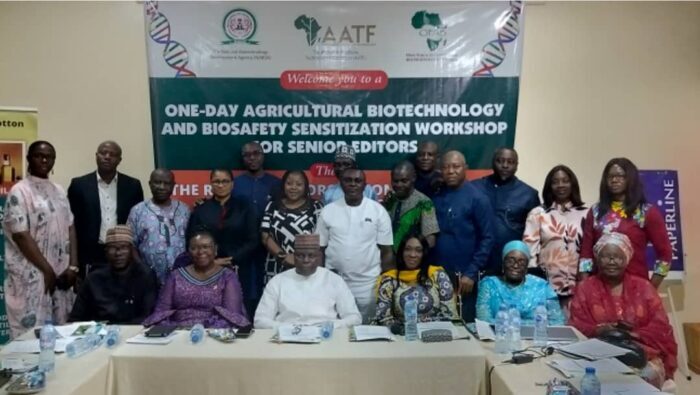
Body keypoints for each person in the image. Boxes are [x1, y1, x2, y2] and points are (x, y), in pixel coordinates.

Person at [569, 233, 677, 388]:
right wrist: (599, 331)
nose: (612, 261)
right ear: (597, 259)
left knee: (643, 376)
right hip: (597, 354)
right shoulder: (586, 288)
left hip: (641, 355)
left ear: (627, 259)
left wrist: (632, 334)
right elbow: (575, 325)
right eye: (606, 256)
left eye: (618, 257)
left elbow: (661, 329)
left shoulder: (644, 288)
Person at [3, 141, 78, 338]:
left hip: (60, 276)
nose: (44, 159)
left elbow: (70, 225)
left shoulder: (59, 191)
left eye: (49, 156)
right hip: (33, 275)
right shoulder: (19, 191)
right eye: (38, 155)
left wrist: (73, 267)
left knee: (61, 335)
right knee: (31, 339)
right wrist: (46, 270)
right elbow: (20, 234)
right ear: (28, 158)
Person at [579, 158, 672, 288]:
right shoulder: (595, 212)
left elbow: (665, 254)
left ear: (631, 179)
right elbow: (586, 255)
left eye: (620, 176)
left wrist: (651, 288)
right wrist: (585, 288)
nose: (614, 180)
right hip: (599, 289)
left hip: (636, 288)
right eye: (610, 177)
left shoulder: (646, 212)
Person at [317, 168, 393, 322]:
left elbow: (387, 251)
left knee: (367, 331)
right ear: (341, 184)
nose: (353, 184)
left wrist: (386, 284)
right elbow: (320, 249)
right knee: (337, 331)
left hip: (368, 285)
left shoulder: (378, 211)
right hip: (335, 283)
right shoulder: (328, 211)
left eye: (357, 181)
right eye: (348, 180)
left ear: (365, 185)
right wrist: (320, 280)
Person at [431, 150, 495, 322]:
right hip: (437, 274)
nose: (451, 171)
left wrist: (471, 273)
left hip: (464, 278)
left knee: (463, 325)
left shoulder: (478, 198)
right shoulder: (436, 196)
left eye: (456, 166)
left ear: (465, 168)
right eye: (445, 167)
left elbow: (487, 238)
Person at [187, 169, 259, 316]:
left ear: (232, 184)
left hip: (240, 267)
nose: (220, 185)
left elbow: (253, 239)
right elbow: (192, 241)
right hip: (207, 269)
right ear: (211, 184)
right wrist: (212, 262)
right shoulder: (201, 210)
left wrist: (231, 259)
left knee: (238, 312)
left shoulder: (244, 208)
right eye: (216, 181)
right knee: (209, 313)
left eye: (225, 181)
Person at [143, 231, 251, 328]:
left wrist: (206, 330)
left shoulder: (227, 276)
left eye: (206, 247)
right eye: (194, 248)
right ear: (188, 252)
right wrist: (176, 330)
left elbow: (232, 316)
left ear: (215, 250)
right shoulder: (175, 276)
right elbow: (161, 313)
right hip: (178, 334)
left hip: (214, 335)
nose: (200, 252)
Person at [68, 141, 144, 275]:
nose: (107, 157)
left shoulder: (132, 185)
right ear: (96, 156)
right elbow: (72, 223)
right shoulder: (79, 185)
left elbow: (137, 222)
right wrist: (74, 263)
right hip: (89, 254)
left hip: (122, 253)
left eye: (113, 154)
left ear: (119, 160)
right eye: (103, 153)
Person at [254, 234, 361, 329]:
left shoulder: (334, 280)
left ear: (319, 257)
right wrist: (288, 328)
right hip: (288, 337)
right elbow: (260, 320)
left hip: (325, 337)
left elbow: (354, 318)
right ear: (294, 256)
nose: (306, 260)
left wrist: (330, 326)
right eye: (300, 256)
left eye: (311, 256)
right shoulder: (278, 281)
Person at [523, 165, 588, 314]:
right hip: (546, 287)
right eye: (555, 182)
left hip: (578, 286)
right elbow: (529, 253)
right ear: (549, 186)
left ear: (573, 184)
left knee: (576, 331)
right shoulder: (538, 214)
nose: (560, 185)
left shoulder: (586, 214)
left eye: (565, 181)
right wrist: (533, 284)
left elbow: (589, 252)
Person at [69, 226, 159, 324]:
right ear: (106, 252)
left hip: (134, 332)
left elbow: (148, 316)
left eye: (124, 247)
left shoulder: (145, 276)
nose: (118, 253)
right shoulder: (93, 279)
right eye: (113, 248)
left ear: (131, 250)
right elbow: (75, 318)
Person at [474, 147, 540, 274]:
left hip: (511, 266)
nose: (505, 165)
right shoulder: (475, 188)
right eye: (500, 161)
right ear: (493, 162)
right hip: (475, 262)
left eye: (510, 162)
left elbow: (534, 236)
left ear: (516, 165)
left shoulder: (528, 194)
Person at [374, 234, 458, 326]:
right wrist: (407, 328)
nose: (412, 255)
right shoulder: (390, 279)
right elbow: (382, 317)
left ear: (424, 253)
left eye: (418, 250)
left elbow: (450, 315)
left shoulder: (438, 275)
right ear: (401, 252)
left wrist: (426, 327)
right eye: (408, 249)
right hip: (402, 335)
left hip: (435, 333)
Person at [476, 240, 565, 325]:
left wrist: (509, 323)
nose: (515, 265)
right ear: (503, 264)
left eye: (521, 262)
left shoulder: (542, 286)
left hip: (537, 339)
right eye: (510, 261)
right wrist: (536, 323)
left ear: (526, 268)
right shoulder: (489, 285)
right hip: (498, 338)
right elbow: (483, 321)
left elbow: (558, 322)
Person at [127, 169, 190, 284]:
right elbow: (130, 244)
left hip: (182, 278)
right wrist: (142, 268)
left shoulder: (184, 210)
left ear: (173, 186)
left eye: (167, 183)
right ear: (150, 184)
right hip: (147, 279)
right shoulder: (137, 210)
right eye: (157, 182)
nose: (161, 187)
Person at [261, 170, 323, 284]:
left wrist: (303, 260)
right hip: (276, 266)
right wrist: (282, 256)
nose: (293, 187)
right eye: (289, 183)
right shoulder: (272, 206)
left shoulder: (316, 207)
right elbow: (265, 236)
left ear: (305, 187)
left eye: (299, 184)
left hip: (307, 267)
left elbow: (322, 239)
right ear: (283, 185)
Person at [383, 161, 439, 250]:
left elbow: (430, 239)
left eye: (404, 181)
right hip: (388, 259)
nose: (399, 185)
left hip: (411, 260)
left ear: (413, 178)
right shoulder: (389, 200)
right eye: (395, 181)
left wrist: (415, 255)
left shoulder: (424, 203)